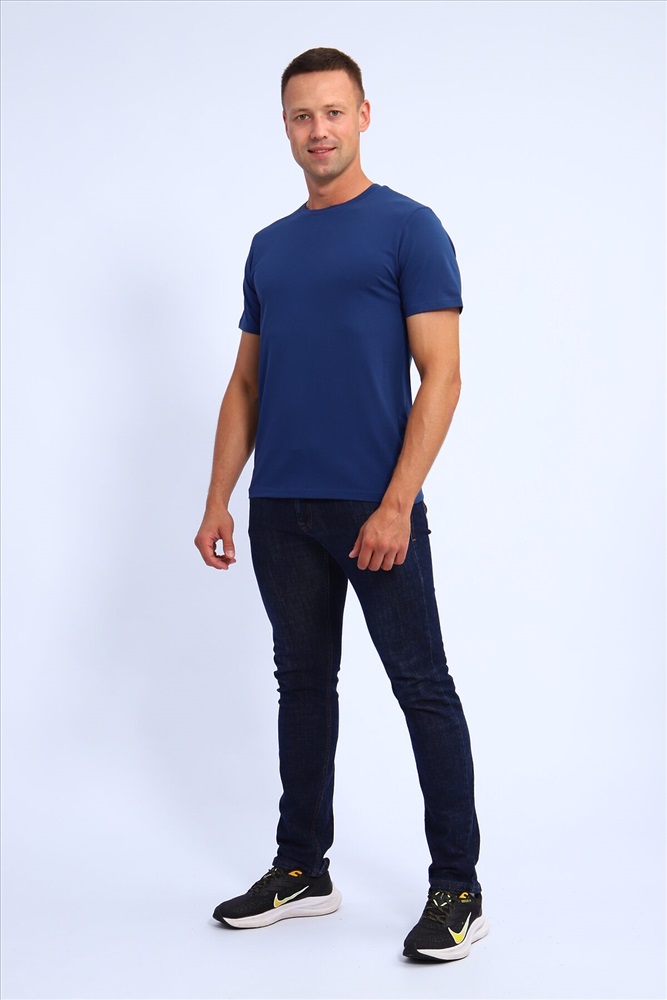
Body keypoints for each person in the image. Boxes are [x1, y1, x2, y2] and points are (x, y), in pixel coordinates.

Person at [194, 46, 487, 963]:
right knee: (301, 686)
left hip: (372, 505)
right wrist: (219, 500)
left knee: (422, 688)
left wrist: (397, 504)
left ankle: (458, 888)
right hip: (281, 509)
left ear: (363, 115)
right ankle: (302, 869)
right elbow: (246, 384)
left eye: (331, 112)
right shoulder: (269, 246)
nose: (316, 130)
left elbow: (442, 375)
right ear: (284, 127)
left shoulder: (408, 228)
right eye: (300, 115)